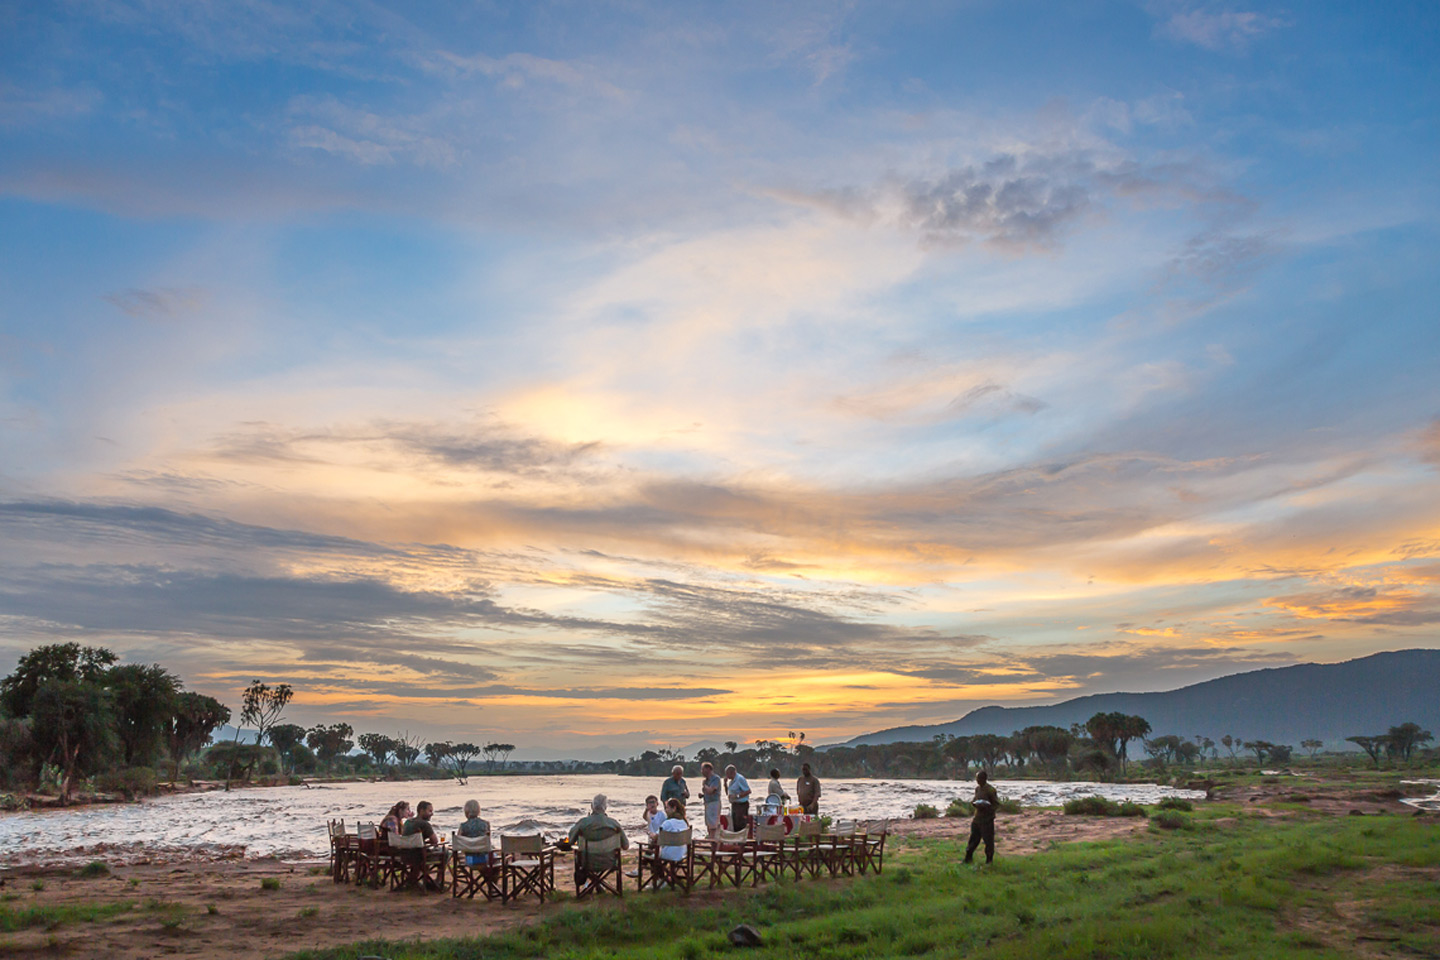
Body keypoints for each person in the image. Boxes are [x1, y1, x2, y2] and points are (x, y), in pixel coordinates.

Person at [569, 794, 630, 885]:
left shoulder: (583, 823)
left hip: (587, 862)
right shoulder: (614, 824)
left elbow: (571, 841)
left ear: (592, 806)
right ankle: (598, 884)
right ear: (605, 807)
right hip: (609, 861)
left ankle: (594, 884)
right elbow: (626, 846)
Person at [401, 800, 442, 890]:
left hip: (405, 855)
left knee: (424, 850)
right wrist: (429, 842)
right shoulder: (424, 824)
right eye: (429, 811)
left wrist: (424, 842)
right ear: (421, 811)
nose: (432, 814)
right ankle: (438, 881)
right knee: (445, 853)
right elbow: (435, 841)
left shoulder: (408, 822)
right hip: (419, 857)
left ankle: (417, 880)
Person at [964, 771, 1000, 866]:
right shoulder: (977, 789)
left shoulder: (990, 790)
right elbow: (975, 800)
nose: (977, 781)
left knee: (988, 841)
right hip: (977, 819)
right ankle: (968, 859)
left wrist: (987, 808)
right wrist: (974, 804)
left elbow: (996, 804)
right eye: (977, 779)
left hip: (987, 820)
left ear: (984, 779)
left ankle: (989, 861)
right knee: (973, 840)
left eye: (979, 779)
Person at [458, 798, 491, 866]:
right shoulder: (486, 824)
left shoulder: (463, 826)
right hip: (485, 859)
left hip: (470, 860)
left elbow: (459, 843)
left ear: (466, 812)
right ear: (478, 811)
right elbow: (488, 842)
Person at [724, 764, 751, 833]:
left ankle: (742, 838)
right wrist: (725, 784)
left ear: (732, 772)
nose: (726, 776)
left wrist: (737, 796)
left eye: (727, 774)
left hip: (741, 805)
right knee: (735, 825)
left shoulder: (740, 779)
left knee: (741, 824)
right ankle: (737, 837)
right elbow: (728, 793)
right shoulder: (731, 781)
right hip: (734, 804)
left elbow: (748, 791)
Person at [700, 761, 723, 838]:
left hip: (714, 803)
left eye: (702, 769)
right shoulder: (706, 780)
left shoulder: (715, 779)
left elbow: (711, 790)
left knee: (713, 824)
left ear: (708, 769)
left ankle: (713, 840)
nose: (701, 772)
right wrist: (703, 795)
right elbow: (707, 792)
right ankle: (711, 838)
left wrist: (704, 785)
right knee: (708, 824)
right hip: (707, 803)